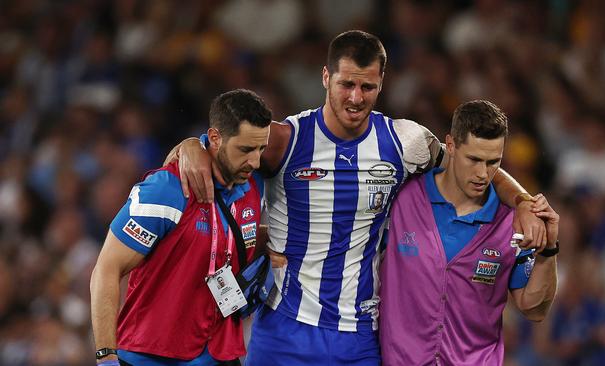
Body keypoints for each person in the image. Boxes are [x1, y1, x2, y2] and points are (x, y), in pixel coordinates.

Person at [173, 31, 549, 365]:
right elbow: (219, 149)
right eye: (346, 84)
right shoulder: (285, 141)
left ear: (381, 83)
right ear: (326, 77)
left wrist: (522, 203)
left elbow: (471, 163)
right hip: (285, 329)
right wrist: (191, 145)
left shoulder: (406, 143)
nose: (355, 97)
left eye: (366, 87)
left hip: (361, 338)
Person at [90, 89, 272, 365]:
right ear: (214, 138)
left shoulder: (250, 190)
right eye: (245, 150)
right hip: (149, 356)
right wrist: (106, 356)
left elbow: (230, 239)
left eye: (261, 149)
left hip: (219, 354)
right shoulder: (168, 190)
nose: (255, 161)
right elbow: (106, 268)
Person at [379, 100, 559, 366]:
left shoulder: (510, 221)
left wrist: (548, 249)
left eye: (493, 162)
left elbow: (535, 309)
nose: (483, 174)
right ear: (450, 145)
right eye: (473, 159)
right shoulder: (403, 199)